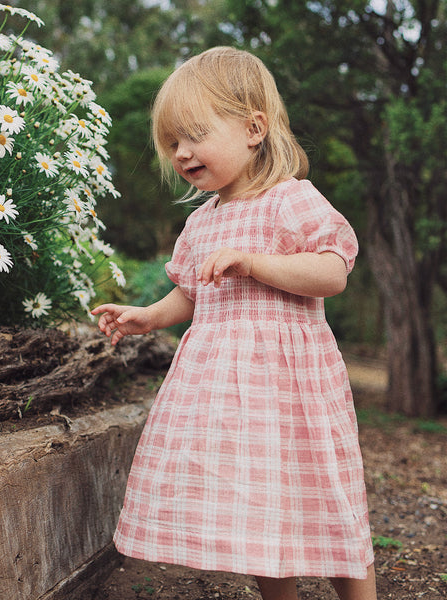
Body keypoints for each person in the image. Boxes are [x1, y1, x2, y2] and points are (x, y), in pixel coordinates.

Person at [91, 46, 377, 600]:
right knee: (259, 506)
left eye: (194, 134)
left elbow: (330, 272)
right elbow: (191, 291)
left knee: (325, 492)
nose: (181, 152)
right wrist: (149, 316)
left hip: (294, 384)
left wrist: (254, 262)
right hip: (229, 393)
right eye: (172, 142)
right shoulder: (202, 221)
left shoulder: (289, 200)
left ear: (253, 128)